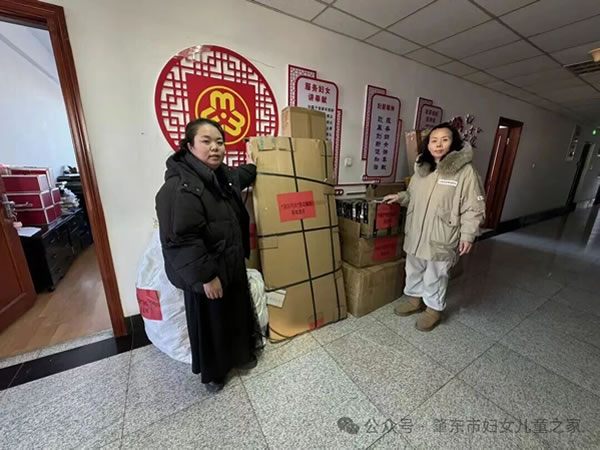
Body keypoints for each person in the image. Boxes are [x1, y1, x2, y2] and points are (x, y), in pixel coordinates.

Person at [155, 118, 262, 392]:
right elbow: (181, 241)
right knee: (212, 322)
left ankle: (238, 356)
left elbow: (240, 176)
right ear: (190, 146)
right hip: (208, 271)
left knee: (234, 313)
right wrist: (206, 277)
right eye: (206, 141)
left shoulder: (221, 177)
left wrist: (254, 165)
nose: (215, 147)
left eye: (220, 142)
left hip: (230, 262)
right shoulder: (181, 186)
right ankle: (216, 373)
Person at [384, 122, 485, 332]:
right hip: (416, 232)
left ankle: (433, 310)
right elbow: (413, 195)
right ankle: (414, 300)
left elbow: (474, 207)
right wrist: (400, 197)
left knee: (435, 274)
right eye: (434, 140)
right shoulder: (422, 168)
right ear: (428, 144)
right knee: (413, 268)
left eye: (444, 140)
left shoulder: (465, 172)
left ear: (453, 143)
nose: (438, 145)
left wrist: (468, 235)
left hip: (442, 234)